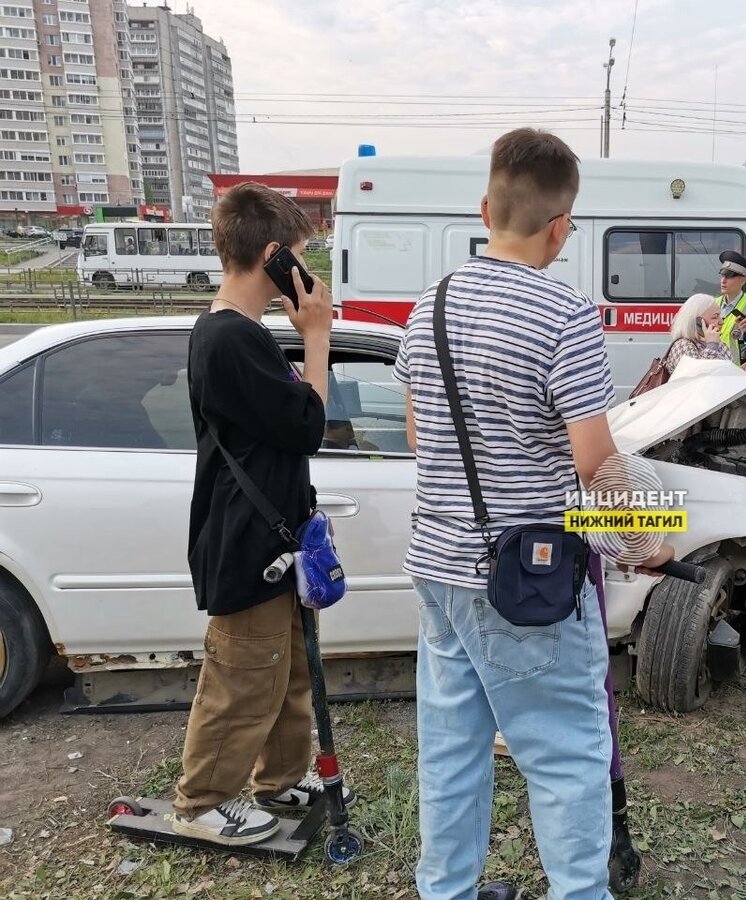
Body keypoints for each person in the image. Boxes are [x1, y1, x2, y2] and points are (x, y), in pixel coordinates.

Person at [393, 128, 672, 900]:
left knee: (451, 747)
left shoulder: (430, 306)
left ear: (486, 209)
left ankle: (444, 891)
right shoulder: (566, 315)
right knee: (567, 755)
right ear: (560, 226)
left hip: (439, 572)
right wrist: (648, 541)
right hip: (529, 582)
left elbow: (422, 438)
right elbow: (596, 462)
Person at [170, 182, 353, 847]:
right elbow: (307, 424)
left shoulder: (241, 334)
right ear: (275, 257)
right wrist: (318, 335)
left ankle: (278, 780)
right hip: (246, 541)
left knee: (290, 669)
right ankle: (200, 801)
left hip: (274, 539)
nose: (308, 275)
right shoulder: (229, 340)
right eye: (301, 259)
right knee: (243, 677)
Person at [662, 292, 746, 374]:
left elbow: (720, 377)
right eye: (715, 317)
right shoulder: (682, 345)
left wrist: (739, 373)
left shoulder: (721, 346)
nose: (721, 322)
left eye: (720, 316)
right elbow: (697, 377)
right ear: (698, 322)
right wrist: (711, 346)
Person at [714, 249, 746, 368]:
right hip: (715, 367)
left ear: (742, 280)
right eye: (722, 275)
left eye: (729, 276)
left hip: (737, 370)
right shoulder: (715, 304)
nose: (723, 280)